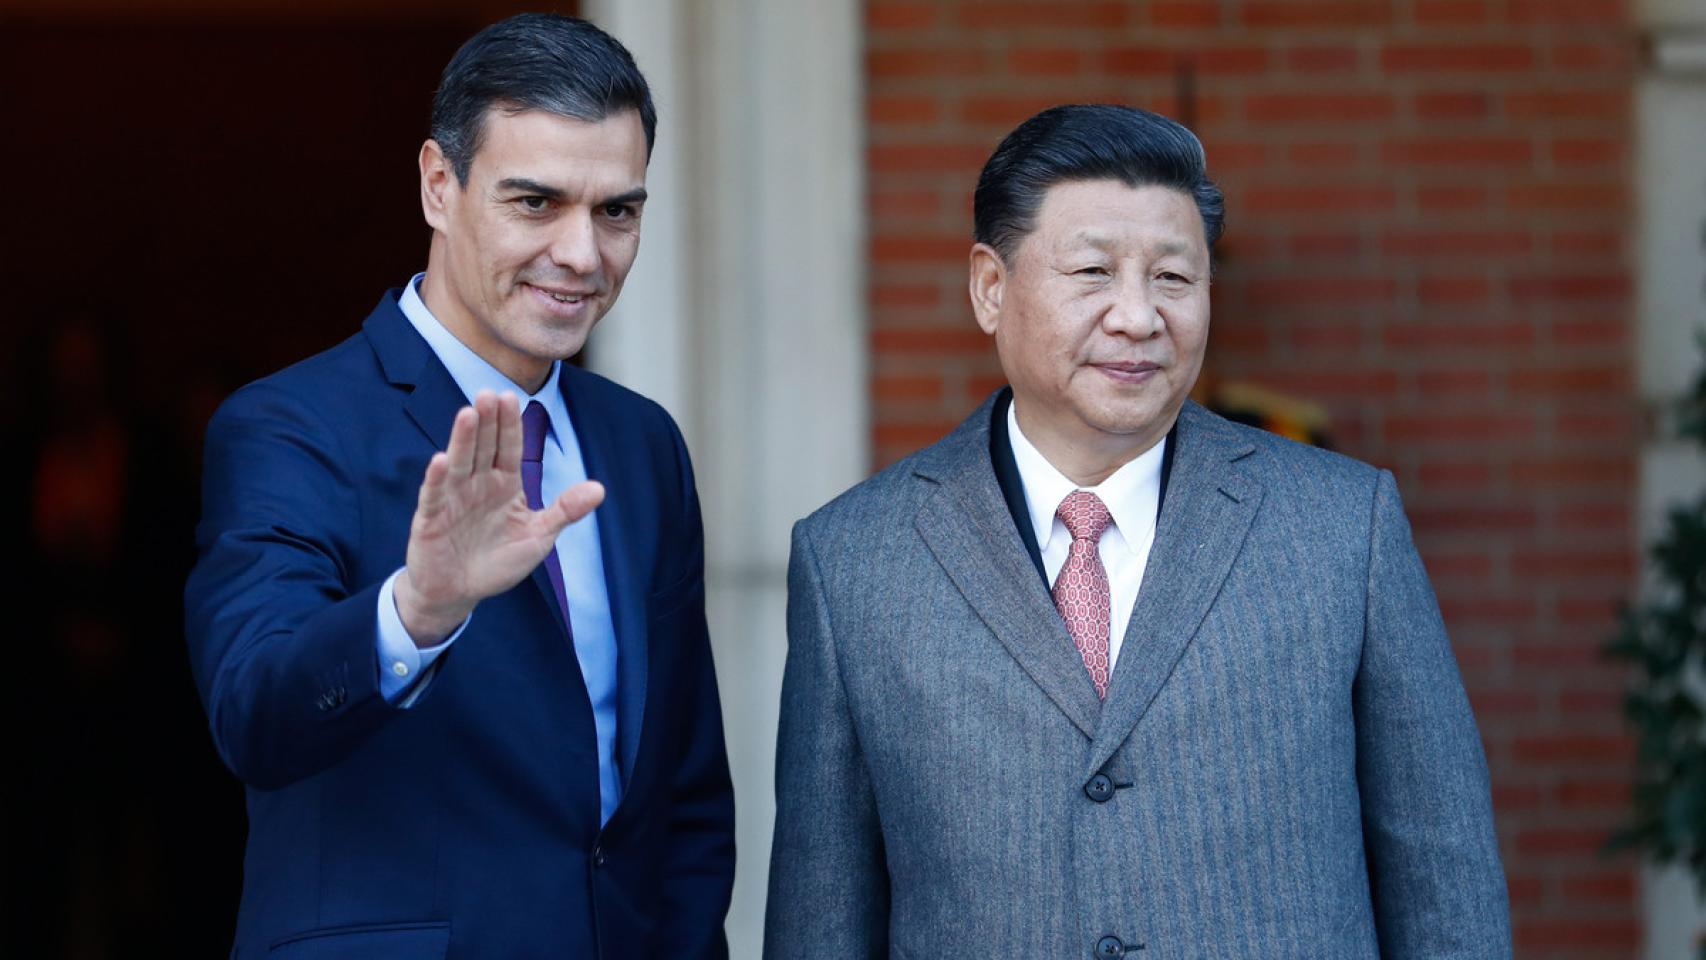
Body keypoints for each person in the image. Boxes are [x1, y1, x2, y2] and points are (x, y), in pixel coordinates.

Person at [765, 104, 1509, 958]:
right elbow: (822, 916)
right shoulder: (856, 560)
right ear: (990, 287)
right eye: (1093, 271)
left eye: (1173, 277)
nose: (1138, 317)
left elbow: (1445, 881)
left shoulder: (1342, 527)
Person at [184, 14, 734, 957]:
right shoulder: (289, 426)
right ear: (439, 186)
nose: (583, 254)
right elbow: (254, 716)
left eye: (616, 212)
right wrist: (417, 611)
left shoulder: (642, 444)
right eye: (536, 203)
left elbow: (683, 793)